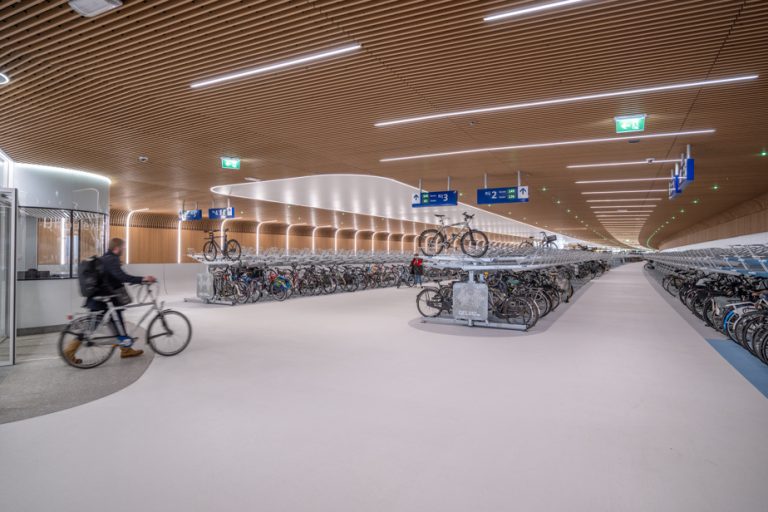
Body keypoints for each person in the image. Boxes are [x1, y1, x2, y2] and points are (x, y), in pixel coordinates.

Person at [64, 238, 156, 363]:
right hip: (104, 299)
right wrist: (143, 279)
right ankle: (69, 352)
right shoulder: (112, 259)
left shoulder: (106, 258)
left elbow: (114, 277)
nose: (124, 250)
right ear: (117, 248)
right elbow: (122, 277)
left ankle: (126, 349)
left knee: (117, 323)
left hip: (106, 298)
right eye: (123, 248)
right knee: (91, 328)